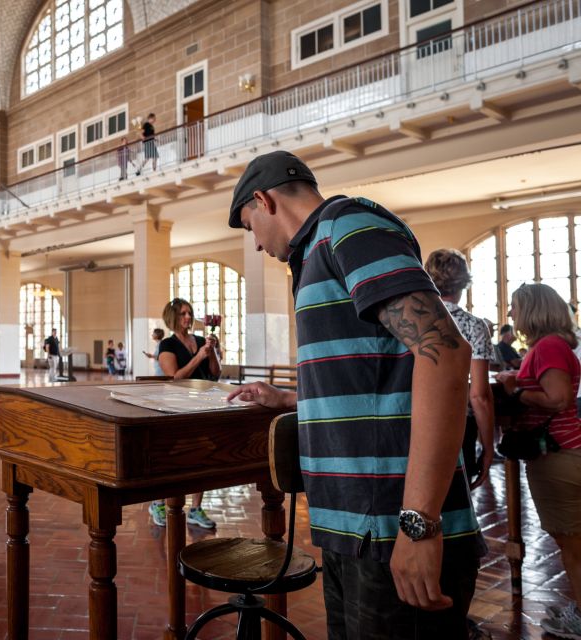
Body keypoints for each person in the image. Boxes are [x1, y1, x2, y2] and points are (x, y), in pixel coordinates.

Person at [225, 151, 485, 638]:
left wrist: (418, 525)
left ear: (264, 200)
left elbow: (446, 354)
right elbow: (375, 377)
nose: (255, 243)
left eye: (249, 225)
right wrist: (290, 400)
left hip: (392, 526)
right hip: (355, 529)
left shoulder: (349, 227)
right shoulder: (316, 253)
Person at [496, 284, 581, 639]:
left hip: (558, 454)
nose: (511, 314)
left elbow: (558, 399)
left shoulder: (548, 346)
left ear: (533, 310)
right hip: (565, 451)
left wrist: (515, 390)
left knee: (572, 544)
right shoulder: (551, 345)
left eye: (515, 307)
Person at [425, 249, 495, 490]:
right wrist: (488, 447)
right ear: (464, 282)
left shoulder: (411, 325)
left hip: (416, 423)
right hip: (457, 424)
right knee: (458, 498)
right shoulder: (474, 326)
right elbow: (479, 396)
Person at [150, 298, 221, 530]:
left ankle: (195, 509)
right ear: (173, 317)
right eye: (183, 314)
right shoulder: (167, 345)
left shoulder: (199, 340)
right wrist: (199, 356)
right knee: (172, 458)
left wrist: (211, 352)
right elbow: (175, 378)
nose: (188, 317)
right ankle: (158, 503)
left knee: (202, 456)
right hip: (176, 406)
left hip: (202, 404)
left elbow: (215, 374)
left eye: (189, 313)